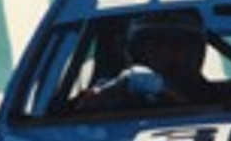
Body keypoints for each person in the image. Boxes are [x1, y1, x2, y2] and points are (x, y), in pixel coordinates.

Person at [78, 9, 223, 108]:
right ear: (138, 52)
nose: (170, 52)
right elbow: (76, 119)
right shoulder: (115, 93)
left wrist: (163, 91)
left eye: (181, 44)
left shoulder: (224, 100)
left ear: (197, 51)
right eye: (158, 44)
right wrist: (109, 92)